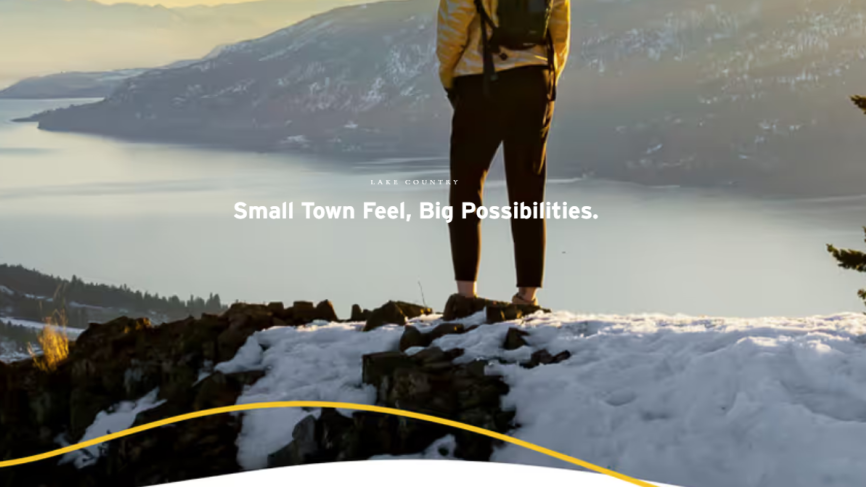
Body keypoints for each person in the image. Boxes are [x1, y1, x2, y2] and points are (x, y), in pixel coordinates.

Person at [436, 0, 571, 306]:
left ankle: (466, 293)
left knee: (465, 185)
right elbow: (560, 32)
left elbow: (452, 31)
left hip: (481, 81)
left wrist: (449, 78)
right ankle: (527, 294)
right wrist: (545, 75)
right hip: (537, 80)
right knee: (528, 187)